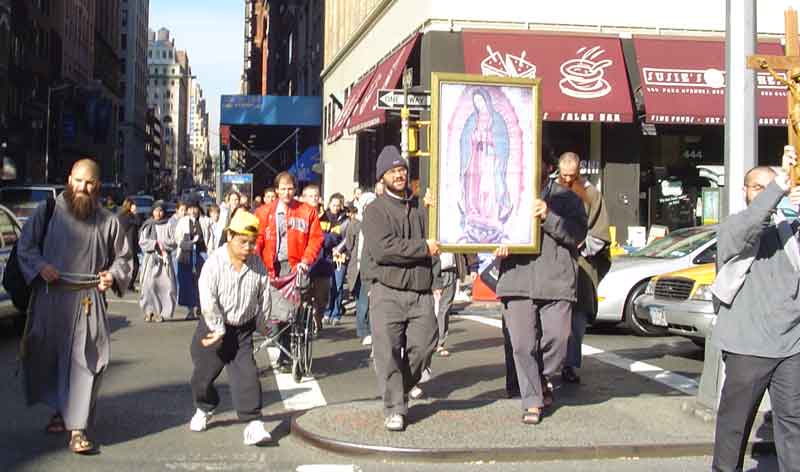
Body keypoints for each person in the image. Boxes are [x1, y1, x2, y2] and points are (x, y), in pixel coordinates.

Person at [17, 159, 132, 454]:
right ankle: (61, 409)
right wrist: (40, 266)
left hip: (87, 299)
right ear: (69, 180)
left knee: (87, 362)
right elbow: (25, 246)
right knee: (49, 356)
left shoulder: (108, 220)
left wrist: (112, 276)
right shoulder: (49, 210)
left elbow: (123, 259)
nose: (83, 187)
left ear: (98, 186)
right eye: (79, 181)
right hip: (51, 297)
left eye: (90, 183)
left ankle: (78, 429)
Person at [710, 147, 800, 472]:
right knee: (735, 425)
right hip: (747, 346)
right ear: (745, 192)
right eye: (756, 187)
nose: (763, 192)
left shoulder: (791, 229)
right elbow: (753, 222)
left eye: (769, 185)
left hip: (791, 345)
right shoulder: (735, 227)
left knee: (793, 425)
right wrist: (778, 187)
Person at [494, 155, 587, 425]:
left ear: (548, 167)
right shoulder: (506, 194)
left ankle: (541, 376)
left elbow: (577, 236)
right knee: (522, 345)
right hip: (516, 279)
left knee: (558, 341)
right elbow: (485, 229)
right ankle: (532, 401)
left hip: (556, 280)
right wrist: (494, 243)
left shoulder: (568, 199)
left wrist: (548, 215)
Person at [362, 145, 440, 432]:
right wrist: (422, 248)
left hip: (420, 293)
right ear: (383, 176)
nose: (399, 174)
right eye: (393, 170)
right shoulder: (374, 210)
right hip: (387, 292)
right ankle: (395, 407)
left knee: (426, 344)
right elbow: (383, 250)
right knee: (388, 352)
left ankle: (397, 388)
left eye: (402, 169)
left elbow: (439, 235)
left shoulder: (420, 207)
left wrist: (434, 207)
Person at [189, 210, 274, 446]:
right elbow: (208, 299)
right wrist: (217, 328)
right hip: (213, 326)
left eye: (252, 242)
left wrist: (262, 323)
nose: (248, 247)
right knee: (202, 378)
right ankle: (205, 408)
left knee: (247, 374)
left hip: (242, 329)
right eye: (242, 241)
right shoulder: (214, 263)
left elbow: (264, 294)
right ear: (230, 236)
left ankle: (254, 423)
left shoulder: (257, 264)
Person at [255, 172, 323, 373]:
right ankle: (280, 347)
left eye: (290, 188)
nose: (286, 192)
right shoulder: (264, 212)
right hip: (271, 267)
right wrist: (256, 260)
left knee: (292, 314)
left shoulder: (307, 211)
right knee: (274, 315)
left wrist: (306, 260)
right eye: (282, 188)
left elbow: (316, 239)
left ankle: (286, 354)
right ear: (276, 190)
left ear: (296, 189)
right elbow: (258, 239)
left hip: (295, 267)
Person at [557, 152, 611, 384]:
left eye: (572, 175)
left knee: (576, 320)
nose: (568, 180)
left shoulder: (591, 194)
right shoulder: (550, 191)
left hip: (580, 264)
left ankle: (570, 364)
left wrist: (581, 244)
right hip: (553, 264)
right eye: (564, 175)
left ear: (579, 171)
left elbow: (599, 234)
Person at [343, 193, 376, 345]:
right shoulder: (355, 224)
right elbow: (349, 245)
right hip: (359, 265)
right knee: (362, 299)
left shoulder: (378, 222)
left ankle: (370, 328)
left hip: (375, 265)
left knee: (370, 299)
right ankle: (364, 330)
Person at [139, 201, 178, 322]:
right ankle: (148, 311)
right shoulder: (148, 225)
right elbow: (142, 242)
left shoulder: (168, 225)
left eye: (161, 211)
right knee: (148, 286)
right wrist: (154, 244)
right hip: (150, 260)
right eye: (156, 210)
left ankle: (160, 312)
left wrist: (163, 245)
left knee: (165, 287)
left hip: (164, 260)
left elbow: (174, 241)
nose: (158, 213)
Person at [302, 184, 330, 333]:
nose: (314, 199)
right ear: (303, 198)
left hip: (322, 264)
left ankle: (318, 316)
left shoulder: (326, 216)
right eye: (310, 196)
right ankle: (304, 323)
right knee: (303, 298)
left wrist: (324, 239)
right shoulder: (298, 215)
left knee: (321, 298)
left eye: (316, 196)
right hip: (304, 264)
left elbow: (334, 237)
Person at [175, 199, 210, 319]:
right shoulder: (183, 222)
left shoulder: (205, 221)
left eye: (195, 208)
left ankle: (201, 307)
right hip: (186, 256)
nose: (193, 211)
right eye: (190, 209)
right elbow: (178, 238)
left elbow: (210, 238)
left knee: (202, 282)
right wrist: (189, 242)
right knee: (187, 283)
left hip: (202, 254)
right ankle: (190, 309)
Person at [321, 193, 349, 326]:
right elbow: (321, 237)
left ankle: (336, 313)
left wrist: (339, 249)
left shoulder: (345, 220)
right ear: (329, 204)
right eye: (334, 205)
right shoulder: (323, 217)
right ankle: (327, 311)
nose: (336, 207)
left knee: (338, 286)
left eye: (338, 205)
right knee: (329, 285)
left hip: (340, 257)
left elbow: (347, 238)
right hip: (326, 257)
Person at [117, 198, 141, 291]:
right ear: (129, 206)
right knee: (134, 266)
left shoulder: (127, 216)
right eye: (133, 205)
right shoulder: (125, 217)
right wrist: (135, 213)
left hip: (130, 244)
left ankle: (128, 285)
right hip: (127, 244)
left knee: (133, 266)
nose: (135, 207)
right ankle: (127, 285)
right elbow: (138, 222)